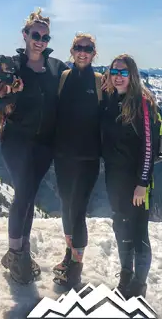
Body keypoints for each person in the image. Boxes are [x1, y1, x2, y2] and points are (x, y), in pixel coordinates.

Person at [0, 8, 67, 284]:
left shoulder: (56, 68)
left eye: (44, 36)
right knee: (24, 193)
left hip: (45, 144)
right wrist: (8, 93)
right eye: (35, 34)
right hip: (16, 141)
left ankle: (19, 252)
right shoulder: (11, 67)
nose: (39, 40)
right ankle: (17, 254)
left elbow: (79, 82)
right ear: (25, 35)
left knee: (28, 196)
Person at [101, 54, 160, 299]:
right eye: (114, 71)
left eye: (124, 72)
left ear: (132, 75)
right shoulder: (110, 99)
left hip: (137, 182)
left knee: (138, 232)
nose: (118, 76)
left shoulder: (142, 103)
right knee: (120, 226)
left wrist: (142, 184)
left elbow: (148, 146)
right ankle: (126, 275)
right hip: (115, 179)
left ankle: (139, 284)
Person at [50, 33, 103, 289]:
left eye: (88, 48)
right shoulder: (64, 79)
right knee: (66, 207)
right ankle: (69, 255)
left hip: (88, 159)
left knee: (78, 211)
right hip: (63, 157)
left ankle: (76, 268)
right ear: (72, 51)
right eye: (78, 48)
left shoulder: (100, 82)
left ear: (94, 53)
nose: (83, 52)